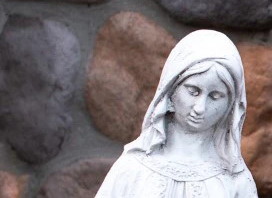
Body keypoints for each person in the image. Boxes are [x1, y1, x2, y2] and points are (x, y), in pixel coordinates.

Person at [96, 30, 257, 198]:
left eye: (215, 96)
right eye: (193, 91)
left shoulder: (235, 179)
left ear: (229, 106)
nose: (200, 108)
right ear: (171, 91)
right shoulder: (132, 167)